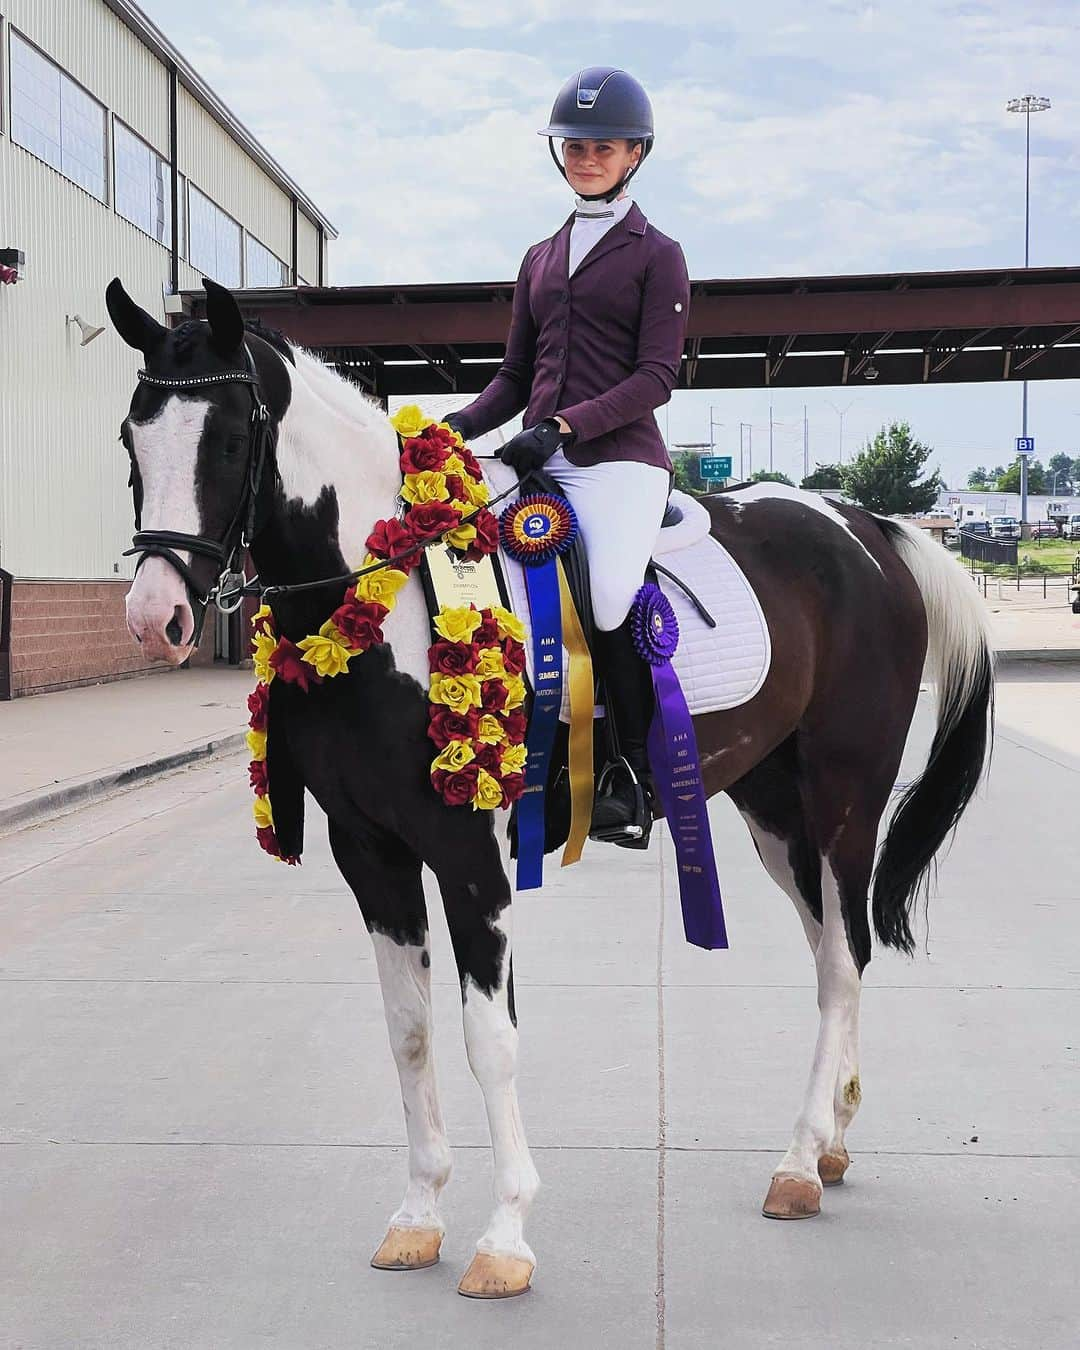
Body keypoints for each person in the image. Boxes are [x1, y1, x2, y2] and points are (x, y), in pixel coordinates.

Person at [445, 66, 691, 845]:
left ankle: (628, 774)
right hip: (538, 461)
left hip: (620, 462)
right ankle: (527, 762)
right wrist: (450, 428)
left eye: (604, 147)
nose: (587, 158)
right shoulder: (540, 257)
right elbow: (515, 377)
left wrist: (567, 428)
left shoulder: (660, 254)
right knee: (483, 586)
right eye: (575, 146)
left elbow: (658, 376)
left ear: (635, 154)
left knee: (612, 597)